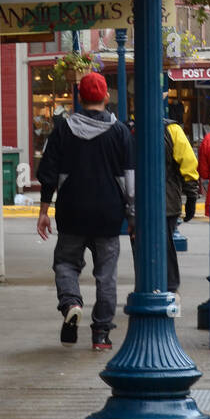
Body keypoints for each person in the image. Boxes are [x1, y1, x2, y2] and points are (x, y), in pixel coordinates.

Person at [36, 71, 134, 351]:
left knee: (65, 263)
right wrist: (133, 216)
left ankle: (71, 303)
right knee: (106, 274)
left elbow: (48, 174)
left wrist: (43, 211)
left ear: (79, 98)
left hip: (72, 211)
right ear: (105, 97)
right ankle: (101, 333)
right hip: (108, 213)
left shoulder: (63, 130)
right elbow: (130, 178)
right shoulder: (120, 132)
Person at [164, 119, 199, 305]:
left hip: (137, 203)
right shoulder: (172, 130)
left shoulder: (132, 129)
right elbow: (188, 163)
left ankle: (148, 285)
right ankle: (170, 288)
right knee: (167, 245)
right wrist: (191, 197)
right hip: (168, 200)